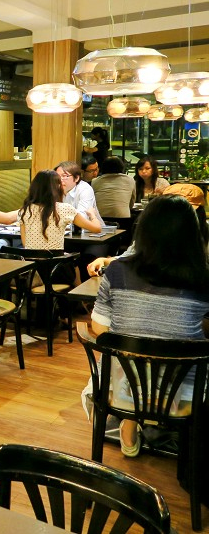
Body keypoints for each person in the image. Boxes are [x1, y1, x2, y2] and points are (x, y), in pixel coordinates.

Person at [88, 194, 209, 457]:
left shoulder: (118, 271)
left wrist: (137, 337)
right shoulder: (203, 277)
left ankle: (130, 422)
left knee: (125, 360)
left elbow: (99, 328)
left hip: (121, 388)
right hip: (186, 394)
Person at [87, 182, 209, 275]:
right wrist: (104, 261)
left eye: (184, 211)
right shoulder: (152, 234)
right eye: (170, 211)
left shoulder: (203, 238)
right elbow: (131, 255)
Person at [19, 170, 101, 249]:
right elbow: (97, 228)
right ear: (57, 188)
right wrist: (92, 215)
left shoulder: (24, 210)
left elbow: (25, 243)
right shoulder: (64, 209)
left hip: (31, 258)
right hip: (57, 258)